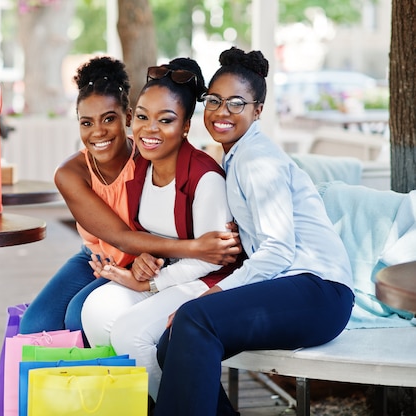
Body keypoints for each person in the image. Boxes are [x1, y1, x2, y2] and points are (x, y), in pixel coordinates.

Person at [152, 47, 355, 416]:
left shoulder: (257, 160)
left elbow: (278, 251)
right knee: (171, 343)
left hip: (319, 291)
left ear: (257, 110)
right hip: (295, 286)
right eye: (214, 101)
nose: (221, 112)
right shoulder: (238, 156)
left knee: (195, 319)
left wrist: (211, 294)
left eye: (236, 103)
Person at [19, 56, 241, 338]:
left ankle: (108, 379)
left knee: (79, 315)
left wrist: (226, 231)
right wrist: (197, 247)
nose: (98, 132)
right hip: (98, 257)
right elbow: (120, 237)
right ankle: (59, 379)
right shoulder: (71, 173)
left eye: (109, 119)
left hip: (143, 258)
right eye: (86, 123)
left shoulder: (149, 154)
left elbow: (185, 193)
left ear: (126, 117)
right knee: (33, 325)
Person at [80, 57, 242, 400]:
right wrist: (143, 259)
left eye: (165, 120)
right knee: (96, 310)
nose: (149, 129)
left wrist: (151, 281)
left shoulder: (204, 177)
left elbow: (214, 258)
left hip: (205, 283)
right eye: (141, 117)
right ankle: (144, 405)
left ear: (185, 126)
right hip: (162, 277)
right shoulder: (141, 167)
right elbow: (147, 236)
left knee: (130, 333)